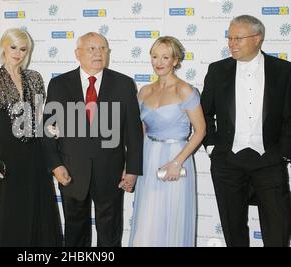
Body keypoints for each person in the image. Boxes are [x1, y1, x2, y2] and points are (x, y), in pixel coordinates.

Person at [43, 32, 143, 247]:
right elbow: (48, 129)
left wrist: (133, 169)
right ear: (77, 53)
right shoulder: (59, 84)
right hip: (70, 170)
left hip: (110, 171)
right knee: (74, 232)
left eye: (103, 48)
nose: (98, 53)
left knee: (110, 233)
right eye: (91, 49)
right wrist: (56, 165)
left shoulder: (124, 84)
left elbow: (133, 132)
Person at [201, 15, 291, 247]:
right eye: (229, 38)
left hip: (270, 161)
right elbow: (204, 112)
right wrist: (212, 147)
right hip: (227, 162)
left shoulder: (284, 70)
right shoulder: (217, 70)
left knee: (278, 231)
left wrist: (283, 153)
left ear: (258, 38)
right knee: (233, 231)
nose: (231, 43)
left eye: (238, 38)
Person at [0, 28, 62, 247]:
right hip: (6, 156)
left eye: (23, 49)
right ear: (4, 48)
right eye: (13, 47)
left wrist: (51, 130)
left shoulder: (34, 78)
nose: (18, 53)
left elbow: (38, 118)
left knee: (38, 211)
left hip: (35, 154)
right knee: (9, 214)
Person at [129, 36, 205, 247]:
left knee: (171, 218)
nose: (159, 62)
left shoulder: (185, 90)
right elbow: (140, 132)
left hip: (175, 158)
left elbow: (200, 131)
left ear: (175, 60)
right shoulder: (145, 91)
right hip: (148, 156)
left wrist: (177, 162)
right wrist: (132, 167)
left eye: (165, 57)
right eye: (155, 56)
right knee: (147, 218)